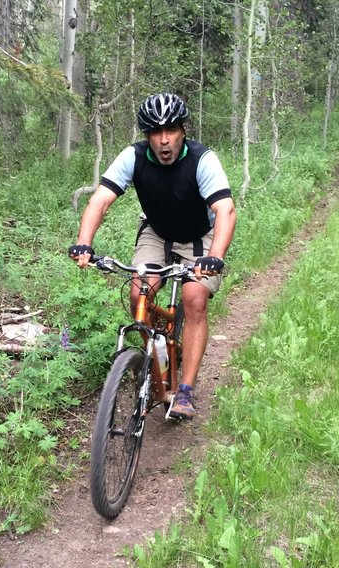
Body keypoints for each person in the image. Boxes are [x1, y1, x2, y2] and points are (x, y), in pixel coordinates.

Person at [69, 92, 236, 420]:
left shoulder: (202, 159)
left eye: (171, 130)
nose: (164, 140)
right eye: (155, 133)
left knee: (194, 298)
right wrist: (84, 243)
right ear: (146, 136)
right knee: (138, 295)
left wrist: (214, 256)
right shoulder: (134, 156)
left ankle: (185, 390)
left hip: (199, 237)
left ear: (182, 131)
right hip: (158, 233)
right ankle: (158, 359)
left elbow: (225, 210)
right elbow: (100, 200)